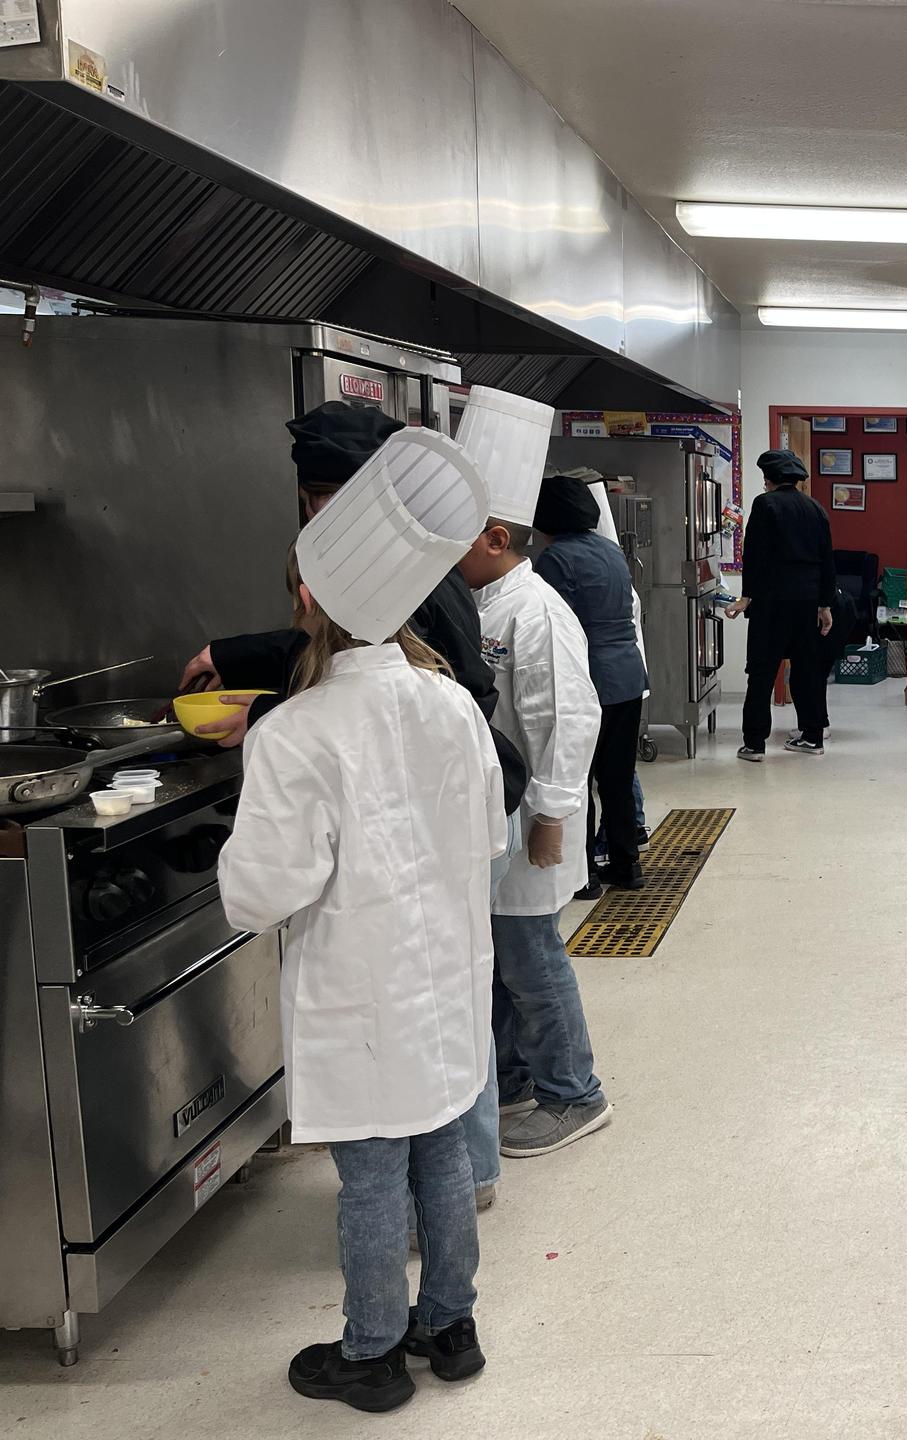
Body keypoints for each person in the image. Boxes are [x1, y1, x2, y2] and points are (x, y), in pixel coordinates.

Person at [218, 428, 504, 1412]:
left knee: (376, 1176)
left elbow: (261, 892)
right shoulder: (450, 705)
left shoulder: (297, 733)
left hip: (359, 990)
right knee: (445, 1154)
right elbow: (487, 834)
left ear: (307, 603)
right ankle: (449, 1328)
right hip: (444, 975)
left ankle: (375, 1352)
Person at [179, 400, 528, 819]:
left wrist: (271, 717)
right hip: (457, 807)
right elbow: (346, 654)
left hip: (433, 804)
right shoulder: (409, 566)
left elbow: (383, 702)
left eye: (331, 500)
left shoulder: (399, 585)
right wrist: (234, 655)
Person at [457, 388, 611, 1160]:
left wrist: (550, 815)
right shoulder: (480, 600)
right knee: (504, 960)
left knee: (532, 958)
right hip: (497, 816)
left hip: (530, 822)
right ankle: (515, 1076)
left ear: (493, 538)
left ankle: (573, 1093)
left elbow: (569, 719)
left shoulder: (535, 612)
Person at [533, 473, 648, 897]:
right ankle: (627, 866)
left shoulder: (554, 559)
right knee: (617, 776)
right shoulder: (611, 551)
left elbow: (553, 623)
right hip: (628, 676)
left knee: (579, 777)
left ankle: (586, 875)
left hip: (588, 679)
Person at [725, 449, 836, 760]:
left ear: (769, 480)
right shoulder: (816, 509)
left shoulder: (765, 504)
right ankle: (813, 736)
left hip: (772, 602)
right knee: (806, 671)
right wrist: (825, 605)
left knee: (761, 672)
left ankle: (754, 744)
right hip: (808, 601)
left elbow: (755, 554)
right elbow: (828, 560)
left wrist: (746, 597)